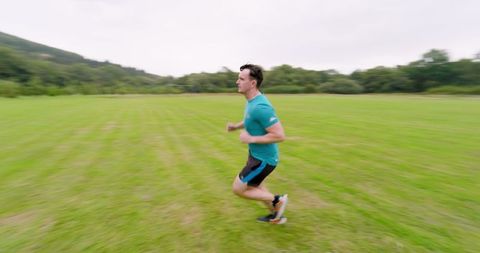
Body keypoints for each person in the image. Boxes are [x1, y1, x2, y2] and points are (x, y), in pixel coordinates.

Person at [226, 64, 288, 224]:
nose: (237, 81)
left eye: (241, 78)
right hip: (256, 156)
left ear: (252, 83)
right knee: (255, 187)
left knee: (238, 189)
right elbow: (250, 120)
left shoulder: (261, 107)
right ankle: (276, 216)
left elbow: (280, 135)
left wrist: (251, 139)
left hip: (263, 160)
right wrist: (236, 126)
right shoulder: (252, 101)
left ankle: (278, 200)